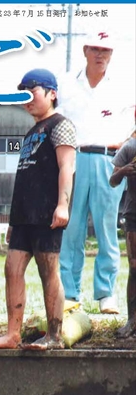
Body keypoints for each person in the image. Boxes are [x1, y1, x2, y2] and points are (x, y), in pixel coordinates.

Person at [0, 70, 76, 351]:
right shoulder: (31, 131)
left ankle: (55, 335)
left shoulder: (61, 125)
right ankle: (13, 333)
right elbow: (24, 177)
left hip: (48, 213)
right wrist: (13, 220)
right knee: (11, 268)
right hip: (23, 216)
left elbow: (67, 167)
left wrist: (62, 205)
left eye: (32, 90)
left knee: (48, 270)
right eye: (22, 91)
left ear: (52, 93)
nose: (27, 98)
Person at [59, 31, 135, 313]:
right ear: (85, 50)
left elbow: (131, 126)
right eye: (96, 49)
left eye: (106, 50)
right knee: (72, 228)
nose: (101, 55)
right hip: (74, 159)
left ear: (112, 54)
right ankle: (69, 293)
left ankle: (105, 293)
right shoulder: (66, 83)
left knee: (106, 229)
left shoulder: (123, 88)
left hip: (108, 159)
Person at [110, 129, 136, 337]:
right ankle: (132, 321)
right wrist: (124, 170)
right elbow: (113, 180)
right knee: (134, 266)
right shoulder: (130, 147)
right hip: (133, 212)